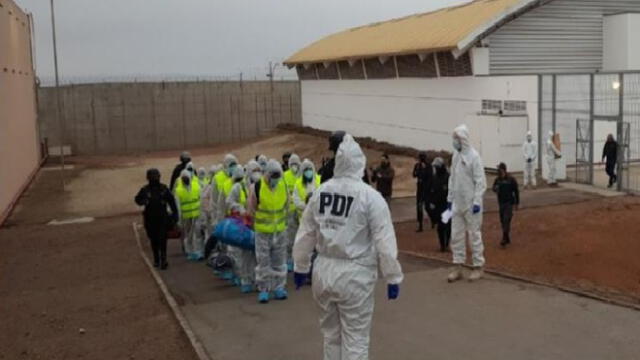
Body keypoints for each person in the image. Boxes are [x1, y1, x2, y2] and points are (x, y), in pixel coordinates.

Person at [293, 134, 403, 360]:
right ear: (359, 163)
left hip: (323, 271)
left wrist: (301, 265)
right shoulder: (370, 197)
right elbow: (385, 240)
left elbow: (306, 232)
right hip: (356, 274)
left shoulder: (321, 192)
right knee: (356, 339)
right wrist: (392, 276)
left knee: (331, 336)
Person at [447, 125, 487, 282]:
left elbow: (480, 182)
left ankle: (478, 266)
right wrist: (449, 200)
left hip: (471, 205)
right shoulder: (455, 156)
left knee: (474, 235)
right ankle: (458, 266)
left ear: (462, 139)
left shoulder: (474, 157)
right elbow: (452, 179)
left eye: (456, 139)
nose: (454, 142)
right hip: (457, 203)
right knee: (456, 235)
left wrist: (477, 201)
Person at [247, 159, 290, 303]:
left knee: (279, 260)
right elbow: (251, 209)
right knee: (263, 261)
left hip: (279, 231)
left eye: (278, 177)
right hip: (263, 232)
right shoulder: (257, 187)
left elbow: (287, 206)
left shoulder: (282, 185)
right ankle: (264, 289)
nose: (276, 180)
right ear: (267, 175)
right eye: (274, 177)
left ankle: (279, 287)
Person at [134, 169, 178, 270]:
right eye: (153, 176)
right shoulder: (145, 190)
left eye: (156, 176)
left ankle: (163, 259)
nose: (155, 178)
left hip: (162, 218)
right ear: (148, 178)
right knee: (153, 239)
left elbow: (172, 202)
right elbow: (137, 199)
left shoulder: (164, 189)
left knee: (163, 239)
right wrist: (143, 201)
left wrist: (175, 215)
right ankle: (156, 258)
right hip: (150, 219)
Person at [225, 165, 256, 292]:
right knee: (244, 253)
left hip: (257, 224)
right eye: (254, 171)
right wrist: (241, 209)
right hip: (244, 223)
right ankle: (245, 280)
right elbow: (229, 202)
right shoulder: (239, 187)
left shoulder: (259, 187)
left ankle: (255, 279)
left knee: (257, 254)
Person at [174, 170, 203, 261]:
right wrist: (179, 219)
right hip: (186, 216)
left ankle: (198, 251)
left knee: (197, 234)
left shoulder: (196, 186)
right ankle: (190, 252)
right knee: (188, 235)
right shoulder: (178, 190)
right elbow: (177, 206)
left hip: (197, 214)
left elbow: (201, 199)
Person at [492, 163, 519, 247]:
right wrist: (495, 189)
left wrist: (517, 203)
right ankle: (507, 237)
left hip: (509, 203)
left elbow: (516, 191)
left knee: (506, 220)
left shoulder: (511, 179)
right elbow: (493, 188)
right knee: (502, 221)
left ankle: (504, 238)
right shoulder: (497, 180)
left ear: (503, 170)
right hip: (501, 203)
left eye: (499, 169)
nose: (498, 171)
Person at [283, 154, 302, 271]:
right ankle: (289, 260)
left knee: (301, 238)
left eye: (296, 164)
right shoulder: (285, 176)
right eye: (292, 164)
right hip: (289, 211)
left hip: (300, 211)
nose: (294, 166)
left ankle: (298, 260)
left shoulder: (302, 176)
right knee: (289, 238)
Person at [428, 157, 451, 252]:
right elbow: (432, 190)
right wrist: (431, 201)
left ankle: (446, 243)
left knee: (448, 225)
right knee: (440, 226)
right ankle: (442, 244)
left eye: (437, 167)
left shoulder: (448, 177)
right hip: (438, 205)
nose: (435, 169)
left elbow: (451, 191)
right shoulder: (434, 177)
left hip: (447, 204)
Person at [210, 154, 238, 224]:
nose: (233, 167)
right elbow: (214, 201)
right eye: (231, 165)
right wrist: (216, 219)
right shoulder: (217, 178)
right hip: (224, 217)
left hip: (237, 217)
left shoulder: (239, 176)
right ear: (225, 166)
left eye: (235, 165)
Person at [413, 151, 433, 232]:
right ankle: (420, 224)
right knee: (419, 206)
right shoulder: (417, 165)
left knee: (427, 206)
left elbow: (430, 176)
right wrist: (418, 171)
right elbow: (414, 174)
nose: (421, 159)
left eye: (422, 157)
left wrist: (424, 169)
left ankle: (433, 219)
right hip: (420, 188)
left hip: (426, 189)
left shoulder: (428, 166)